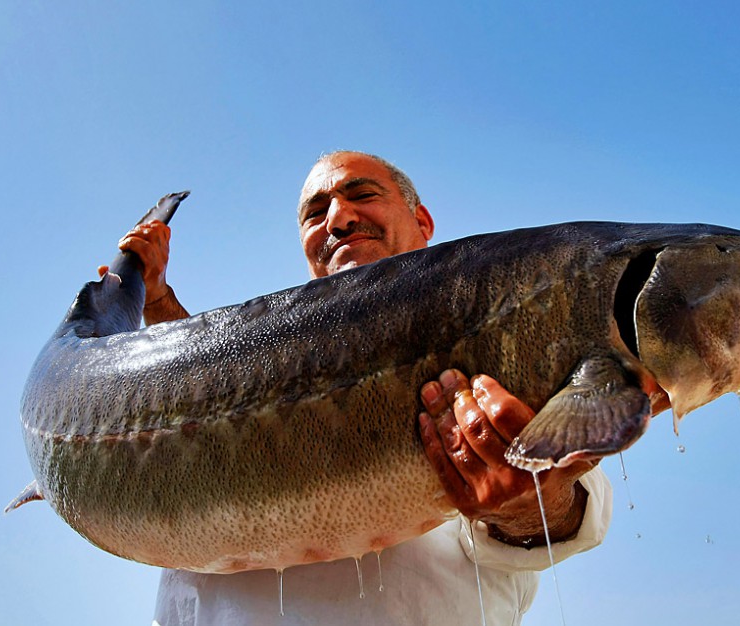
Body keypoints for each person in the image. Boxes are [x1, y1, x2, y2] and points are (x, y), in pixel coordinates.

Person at [110, 151, 613, 625]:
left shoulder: (506, 335)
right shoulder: (271, 354)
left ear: (423, 223)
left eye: (362, 194)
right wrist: (154, 300)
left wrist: (532, 507)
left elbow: (570, 512)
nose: (339, 218)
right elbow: (205, 394)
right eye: (315, 212)